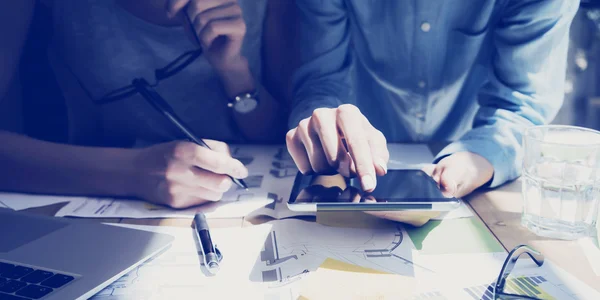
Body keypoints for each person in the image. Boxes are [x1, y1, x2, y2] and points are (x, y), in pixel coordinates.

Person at [286, 0, 579, 221]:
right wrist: (323, 122)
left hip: (474, 168)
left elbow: (522, 101)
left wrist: (476, 159)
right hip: (349, 160)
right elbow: (319, 78)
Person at [0, 0, 293, 208]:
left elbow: (277, 133)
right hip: (102, 201)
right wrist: (134, 172)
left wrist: (232, 69)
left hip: (244, 194)